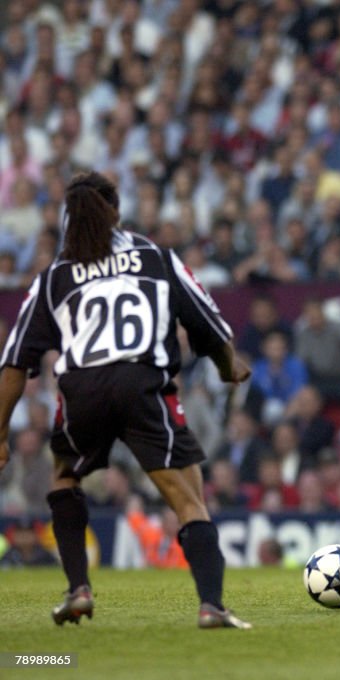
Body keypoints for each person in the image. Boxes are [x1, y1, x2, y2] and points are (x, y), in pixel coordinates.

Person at [0, 171, 252, 629]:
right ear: (115, 211)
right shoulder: (156, 258)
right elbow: (209, 326)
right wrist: (227, 367)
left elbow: (15, 362)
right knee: (187, 498)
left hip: (81, 389)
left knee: (63, 479)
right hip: (141, 383)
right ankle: (212, 606)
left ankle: (78, 589)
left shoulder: (54, 277)